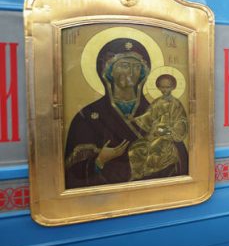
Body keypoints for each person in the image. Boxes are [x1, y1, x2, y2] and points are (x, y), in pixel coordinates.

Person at [64, 38, 188, 188]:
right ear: (108, 71)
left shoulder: (158, 109)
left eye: (136, 67)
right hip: (106, 195)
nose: (130, 72)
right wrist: (100, 160)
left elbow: (180, 155)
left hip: (156, 189)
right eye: (124, 65)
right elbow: (73, 172)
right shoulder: (88, 116)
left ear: (143, 73)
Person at [129, 74, 188, 180]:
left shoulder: (176, 104)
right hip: (155, 133)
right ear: (158, 87)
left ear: (173, 87)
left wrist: (169, 131)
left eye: (168, 87)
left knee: (153, 150)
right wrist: (135, 119)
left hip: (169, 136)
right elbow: (149, 116)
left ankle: (148, 172)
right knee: (136, 148)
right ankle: (138, 175)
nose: (165, 90)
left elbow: (181, 121)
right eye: (162, 87)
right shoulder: (157, 102)